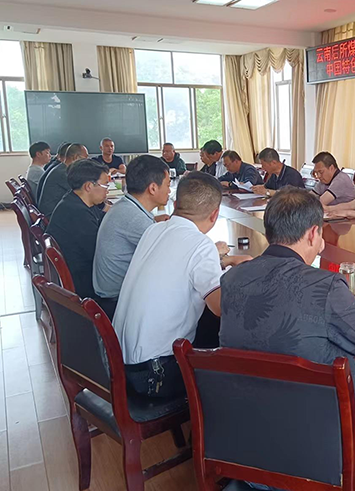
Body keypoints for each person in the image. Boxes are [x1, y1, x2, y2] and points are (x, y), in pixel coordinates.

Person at [220, 187, 355, 489]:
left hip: (248, 446)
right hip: (313, 456)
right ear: (313, 234)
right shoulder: (325, 287)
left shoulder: (231, 279)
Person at [112, 172, 251, 399]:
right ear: (215, 214)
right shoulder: (200, 245)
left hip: (119, 362)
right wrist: (243, 273)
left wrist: (224, 262)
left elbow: (177, 268)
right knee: (226, 337)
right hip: (154, 374)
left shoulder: (154, 230)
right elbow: (220, 307)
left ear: (175, 205)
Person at [93, 156, 172, 316]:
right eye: (168, 185)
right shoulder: (134, 218)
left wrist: (154, 222)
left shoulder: (126, 206)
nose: (169, 191)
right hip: (118, 303)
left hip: (111, 293)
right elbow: (172, 257)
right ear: (153, 188)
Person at [46, 160, 110, 299]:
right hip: (87, 284)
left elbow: (102, 218)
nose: (107, 190)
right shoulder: (77, 213)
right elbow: (100, 254)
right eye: (105, 185)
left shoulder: (75, 200)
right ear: (88, 186)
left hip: (84, 271)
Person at [38, 143, 89, 217]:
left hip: (56, 211)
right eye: (85, 159)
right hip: (52, 216)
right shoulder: (63, 173)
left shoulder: (63, 168)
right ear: (76, 157)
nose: (87, 163)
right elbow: (81, 194)